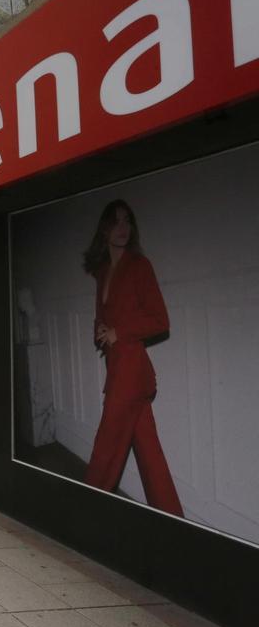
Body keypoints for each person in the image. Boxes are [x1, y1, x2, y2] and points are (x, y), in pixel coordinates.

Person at [81, 199, 183, 517]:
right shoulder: (103, 272)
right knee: (150, 457)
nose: (123, 228)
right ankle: (173, 521)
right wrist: (100, 330)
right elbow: (103, 317)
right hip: (123, 371)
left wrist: (119, 331)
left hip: (130, 373)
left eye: (128, 222)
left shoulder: (139, 266)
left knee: (105, 453)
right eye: (116, 222)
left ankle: (83, 515)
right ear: (104, 228)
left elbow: (159, 320)